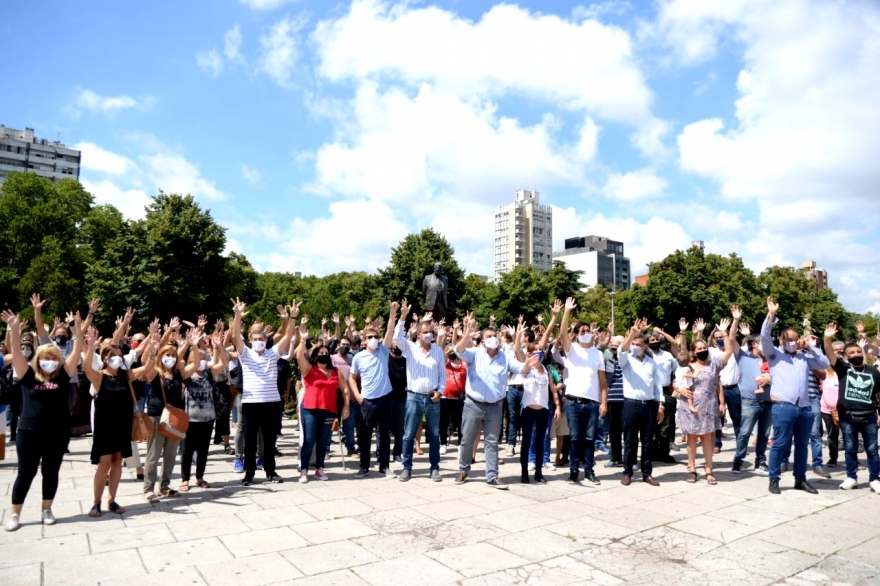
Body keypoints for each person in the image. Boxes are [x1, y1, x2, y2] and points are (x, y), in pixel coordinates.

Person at [2, 310, 82, 532]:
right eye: (45, 358)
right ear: (38, 360)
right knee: (25, 473)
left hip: (57, 433)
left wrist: (78, 332)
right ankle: (15, 514)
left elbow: (76, 352)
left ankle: (46, 509)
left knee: (51, 471)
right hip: (29, 432)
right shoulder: (27, 375)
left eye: (53, 358)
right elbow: (16, 351)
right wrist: (15, 330)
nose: (49, 361)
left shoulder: (64, 376)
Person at [454, 312, 532, 489]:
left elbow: (521, 369)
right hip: (473, 404)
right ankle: (463, 469)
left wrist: (529, 364)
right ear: (482, 341)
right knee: (467, 439)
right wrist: (466, 333)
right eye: (488, 337)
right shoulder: (474, 354)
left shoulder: (505, 356)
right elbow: (458, 351)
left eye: (494, 336)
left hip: (495, 406)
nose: (493, 339)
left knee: (491, 442)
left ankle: (492, 476)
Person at [763, 297, 830, 495]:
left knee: (802, 446)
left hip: (805, 408)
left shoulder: (804, 357)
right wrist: (771, 315)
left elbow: (825, 363)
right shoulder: (774, 354)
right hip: (783, 407)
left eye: (796, 339)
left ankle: (800, 479)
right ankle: (774, 478)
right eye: (789, 339)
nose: (793, 342)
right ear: (782, 340)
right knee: (780, 444)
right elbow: (765, 336)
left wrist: (810, 347)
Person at [84, 330, 155, 517]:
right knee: (104, 463)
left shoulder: (127, 375)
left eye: (119, 355)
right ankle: (96, 502)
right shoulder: (99, 376)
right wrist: (90, 348)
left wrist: (153, 350)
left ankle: (111, 500)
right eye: (113, 355)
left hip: (122, 425)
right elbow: (86, 368)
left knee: (117, 461)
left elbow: (147, 367)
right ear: (105, 358)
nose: (117, 358)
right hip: (105, 426)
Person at [229, 298, 296, 486]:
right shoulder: (245, 354)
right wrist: (237, 315)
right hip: (251, 403)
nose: (258, 342)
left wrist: (292, 317)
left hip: (272, 403)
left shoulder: (273, 353)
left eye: (261, 339)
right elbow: (235, 337)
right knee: (250, 441)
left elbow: (288, 334)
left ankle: (270, 471)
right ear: (251, 341)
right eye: (255, 340)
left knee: (269, 440)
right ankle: (249, 474)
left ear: (266, 341)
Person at [675, 310, 736, 485]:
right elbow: (676, 382)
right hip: (690, 408)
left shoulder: (714, 364)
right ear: (694, 351)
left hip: (709, 407)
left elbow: (729, 351)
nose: (702, 350)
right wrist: (680, 390)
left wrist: (724, 333)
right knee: (692, 439)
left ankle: (709, 469)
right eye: (699, 349)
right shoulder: (688, 365)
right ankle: (692, 469)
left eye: (704, 348)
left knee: (708, 439)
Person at [823, 323, 880, 492]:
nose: (856, 355)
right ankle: (851, 477)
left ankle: (875, 479)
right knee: (850, 448)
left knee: (872, 449)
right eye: (851, 353)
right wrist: (827, 338)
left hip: (869, 416)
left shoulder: (873, 372)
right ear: (846, 357)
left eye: (857, 352)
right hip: (848, 416)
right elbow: (829, 353)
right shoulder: (843, 369)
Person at [394, 299, 446, 482]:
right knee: (408, 434)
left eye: (430, 332)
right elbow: (396, 339)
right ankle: (407, 468)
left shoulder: (438, 351)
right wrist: (403, 316)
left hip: (432, 398)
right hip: (414, 397)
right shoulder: (410, 348)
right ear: (417, 333)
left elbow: (442, 375)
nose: (428, 335)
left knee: (433, 434)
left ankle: (434, 468)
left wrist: (440, 391)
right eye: (425, 332)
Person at [558, 298, 607, 485]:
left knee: (589, 439)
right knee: (575, 439)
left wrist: (604, 402)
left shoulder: (599, 353)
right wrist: (567, 311)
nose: (586, 333)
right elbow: (563, 334)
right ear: (577, 334)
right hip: (573, 402)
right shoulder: (573, 350)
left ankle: (588, 471)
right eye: (582, 331)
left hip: (592, 403)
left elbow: (602, 380)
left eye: (588, 331)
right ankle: (573, 472)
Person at [295, 316, 350, 483]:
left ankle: (320, 468)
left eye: (327, 353)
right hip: (310, 409)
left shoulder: (335, 372)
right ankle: (304, 470)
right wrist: (303, 340)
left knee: (323, 441)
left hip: (328, 410)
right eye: (321, 353)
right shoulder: (309, 370)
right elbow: (298, 356)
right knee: (309, 440)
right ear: (316, 355)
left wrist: (346, 405)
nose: (324, 354)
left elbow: (344, 388)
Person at [350, 301, 398, 479]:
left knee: (384, 435)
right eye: (369, 336)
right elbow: (351, 377)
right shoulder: (359, 358)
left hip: (386, 399)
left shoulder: (383, 351)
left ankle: (384, 466)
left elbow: (390, 330)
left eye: (375, 336)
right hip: (367, 401)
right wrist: (357, 394)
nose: (373, 339)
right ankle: (364, 466)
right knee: (364, 435)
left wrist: (392, 313)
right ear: (364, 340)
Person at [618, 318, 664, 487]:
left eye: (639, 344)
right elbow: (622, 351)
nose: (635, 346)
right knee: (630, 441)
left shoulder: (652, 363)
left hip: (649, 405)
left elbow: (657, 385)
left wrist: (661, 405)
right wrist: (633, 332)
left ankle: (647, 473)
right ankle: (627, 472)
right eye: (633, 344)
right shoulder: (627, 360)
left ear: (645, 346)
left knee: (647, 441)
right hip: (631, 405)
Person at [180, 331, 228, 492]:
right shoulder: (187, 374)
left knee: (203, 449)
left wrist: (219, 347)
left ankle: (199, 476)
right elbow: (180, 362)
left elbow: (223, 363)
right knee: (187, 450)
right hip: (190, 419)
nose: (203, 361)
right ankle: (184, 479)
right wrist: (191, 345)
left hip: (208, 418)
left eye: (204, 359)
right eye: (199, 359)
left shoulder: (208, 373)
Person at [728, 323, 773, 475]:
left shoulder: (772, 360)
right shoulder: (743, 356)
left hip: (768, 401)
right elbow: (732, 338)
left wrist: (769, 379)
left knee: (764, 434)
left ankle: (760, 461)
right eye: (763, 343)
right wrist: (735, 320)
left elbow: (782, 377)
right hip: (750, 401)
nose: (766, 346)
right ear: (754, 344)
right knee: (745, 432)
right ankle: (738, 460)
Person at [647, 328, 681, 464]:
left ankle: (664, 453)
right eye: (652, 340)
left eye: (657, 339)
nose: (655, 342)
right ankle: (651, 452)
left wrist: (674, 381)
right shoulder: (645, 354)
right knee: (650, 424)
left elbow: (678, 368)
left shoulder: (667, 355)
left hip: (666, 392)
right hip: (649, 393)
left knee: (665, 425)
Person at [519, 345, 551, 484]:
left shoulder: (545, 370)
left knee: (540, 442)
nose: (538, 353)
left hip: (543, 410)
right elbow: (524, 371)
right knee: (526, 442)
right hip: (529, 410)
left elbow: (552, 389)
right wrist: (528, 363)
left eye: (540, 350)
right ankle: (524, 472)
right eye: (534, 351)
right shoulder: (526, 368)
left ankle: (538, 472)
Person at [603, 335, 625, 468]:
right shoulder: (607, 358)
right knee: (614, 431)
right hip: (612, 399)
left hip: (627, 399)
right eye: (611, 343)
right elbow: (597, 354)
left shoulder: (629, 358)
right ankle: (616, 458)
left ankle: (630, 460)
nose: (613, 345)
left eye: (616, 344)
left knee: (628, 431)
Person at [440, 344, 466, 454]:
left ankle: (460, 442)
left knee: (460, 421)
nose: (452, 353)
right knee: (443, 421)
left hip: (459, 398)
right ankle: (443, 443)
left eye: (453, 351)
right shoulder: (445, 363)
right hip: (445, 397)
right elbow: (441, 350)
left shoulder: (463, 364)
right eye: (449, 352)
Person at [387, 344, 407, 463]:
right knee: (384, 428)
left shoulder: (406, 361)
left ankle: (397, 453)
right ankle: (381, 452)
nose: (397, 348)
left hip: (401, 398)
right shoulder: (385, 358)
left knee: (399, 428)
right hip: (387, 397)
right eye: (394, 346)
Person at [819, 363, 839, 468]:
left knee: (849, 436)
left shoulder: (846, 373)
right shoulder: (824, 373)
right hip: (827, 410)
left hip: (845, 410)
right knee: (832, 435)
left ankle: (854, 460)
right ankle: (833, 458)